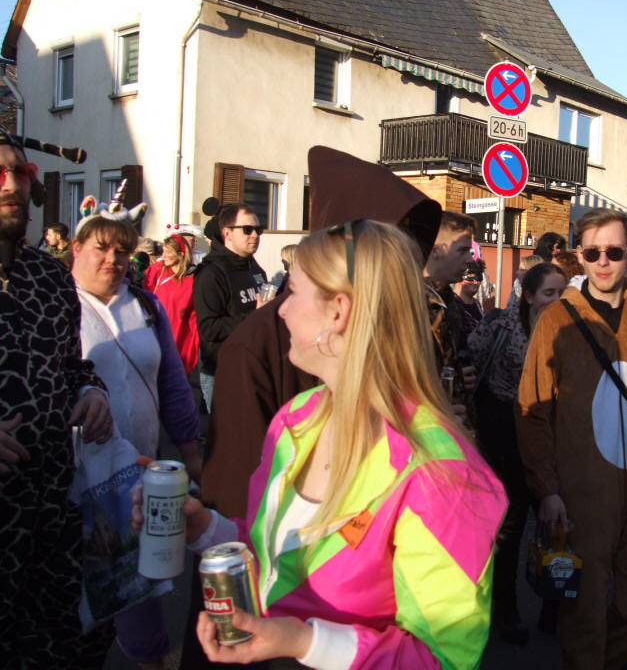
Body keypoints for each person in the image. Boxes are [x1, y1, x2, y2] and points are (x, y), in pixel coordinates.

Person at [136, 220, 506, 668]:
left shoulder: (441, 473)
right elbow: (282, 556)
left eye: (292, 292)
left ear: (338, 312)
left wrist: (305, 641)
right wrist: (207, 531)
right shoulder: (296, 419)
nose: (281, 310)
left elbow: (444, 657)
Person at [517, 208, 627, 669]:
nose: (603, 262)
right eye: (592, 252)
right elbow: (532, 410)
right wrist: (547, 490)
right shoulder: (557, 321)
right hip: (581, 492)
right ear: (579, 254)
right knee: (583, 613)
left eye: (614, 252)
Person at [0, 128, 115, 668]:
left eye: (19, 174)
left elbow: (72, 366)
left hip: (53, 511)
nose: (10, 186)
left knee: (60, 645)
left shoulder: (49, 279)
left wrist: (91, 391)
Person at [71, 208, 201, 669]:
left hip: (140, 476)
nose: (114, 258)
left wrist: (190, 452)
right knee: (73, 595)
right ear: (76, 248)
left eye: (123, 250)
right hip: (73, 479)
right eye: (101, 247)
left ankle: (149, 661)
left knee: (141, 589)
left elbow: (173, 382)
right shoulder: (58, 305)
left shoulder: (146, 306)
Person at [469, 261, 566, 644]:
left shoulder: (568, 331)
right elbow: (472, 358)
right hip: (504, 428)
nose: (556, 301)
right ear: (527, 296)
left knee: (554, 517)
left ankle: (553, 604)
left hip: (549, 429)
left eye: (562, 293)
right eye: (548, 294)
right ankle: (504, 608)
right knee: (511, 522)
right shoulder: (501, 325)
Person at [193, 203, 267, 410]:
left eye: (258, 230)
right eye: (247, 229)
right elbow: (208, 329)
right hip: (222, 372)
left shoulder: (254, 267)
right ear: (227, 233)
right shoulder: (211, 273)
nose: (255, 235)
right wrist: (255, 317)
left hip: (253, 368)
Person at [423, 211, 476, 406]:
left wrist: (460, 374)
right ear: (435, 250)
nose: (470, 260)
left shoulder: (447, 298)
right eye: (462, 251)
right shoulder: (414, 300)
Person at [151, 234, 200, 375]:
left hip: (181, 334)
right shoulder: (158, 272)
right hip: (159, 331)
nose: (164, 255)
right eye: (163, 251)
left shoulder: (193, 278)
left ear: (180, 254)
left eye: (168, 252)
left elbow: (194, 314)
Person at [453, 259, 486, 339]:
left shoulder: (477, 304)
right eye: (470, 277)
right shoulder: (451, 304)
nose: (476, 282)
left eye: (478, 277)